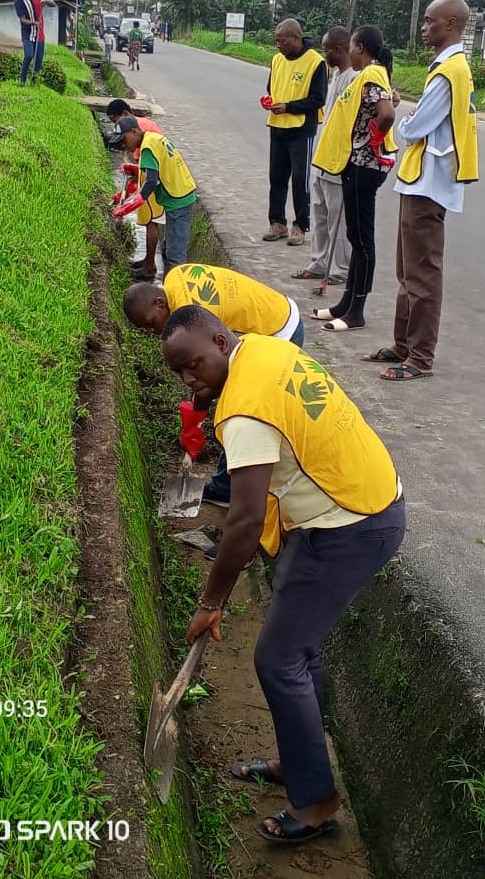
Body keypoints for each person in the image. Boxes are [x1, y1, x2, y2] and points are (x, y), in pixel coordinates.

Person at [160, 304, 405, 846]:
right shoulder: (264, 349)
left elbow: (244, 523)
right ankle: (301, 763)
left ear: (220, 341)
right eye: (179, 373)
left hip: (350, 525)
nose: (189, 379)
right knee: (298, 652)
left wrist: (210, 602)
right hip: (360, 500)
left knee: (278, 658)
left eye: (193, 365)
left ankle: (316, 803)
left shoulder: (244, 412)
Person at [124, 266, 305, 529]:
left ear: (160, 303)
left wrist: (195, 418)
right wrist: (195, 414)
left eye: (151, 323)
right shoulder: (173, 280)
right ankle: (223, 485)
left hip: (278, 331)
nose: (151, 332)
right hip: (276, 307)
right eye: (145, 329)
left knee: (238, 412)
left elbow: (209, 383)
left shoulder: (191, 317)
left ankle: (244, 494)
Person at [364, 0, 478, 381]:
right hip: (419, 180)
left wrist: (406, 120)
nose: (424, 27)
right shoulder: (447, 67)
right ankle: (403, 344)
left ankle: (420, 357)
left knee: (422, 273)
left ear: (450, 24)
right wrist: (411, 118)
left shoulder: (450, 72)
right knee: (407, 269)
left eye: (430, 21)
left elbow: (414, 126)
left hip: (430, 184)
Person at [310, 25, 397, 332]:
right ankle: (345, 304)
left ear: (359, 48)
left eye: (351, 48)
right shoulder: (372, 76)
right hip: (355, 164)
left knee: (362, 240)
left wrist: (371, 141)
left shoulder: (372, 74)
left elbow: (387, 114)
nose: (348, 52)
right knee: (355, 236)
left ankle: (356, 311)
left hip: (363, 165)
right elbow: (388, 101)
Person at [291, 27, 355, 288]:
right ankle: (318, 263)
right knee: (319, 214)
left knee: (336, 218)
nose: (323, 53)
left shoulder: (354, 79)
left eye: (326, 49)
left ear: (338, 49)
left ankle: (340, 268)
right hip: (321, 156)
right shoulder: (336, 77)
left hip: (338, 160)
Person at [263, 19, 328, 247]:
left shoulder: (316, 62)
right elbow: (272, 87)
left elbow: (318, 99)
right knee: (276, 177)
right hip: (278, 125)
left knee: (300, 180)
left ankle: (300, 226)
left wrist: (289, 106)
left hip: (301, 129)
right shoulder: (277, 59)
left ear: (296, 38)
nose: (278, 45)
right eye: (276, 41)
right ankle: (277, 222)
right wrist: (271, 102)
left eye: (282, 41)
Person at [109, 116, 196, 275]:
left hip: (178, 201)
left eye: (124, 140)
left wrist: (128, 207)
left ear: (134, 131)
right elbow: (156, 170)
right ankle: (167, 287)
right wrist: (136, 170)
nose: (124, 146)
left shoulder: (147, 147)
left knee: (174, 257)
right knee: (167, 250)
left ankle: (174, 295)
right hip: (181, 194)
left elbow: (150, 182)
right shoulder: (152, 138)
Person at [106, 99, 164, 280]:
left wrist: (129, 204)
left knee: (151, 221)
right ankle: (148, 261)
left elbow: (147, 177)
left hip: (158, 179)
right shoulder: (140, 126)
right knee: (149, 220)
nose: (123, 144)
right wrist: (121, 195)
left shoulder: (137, 133)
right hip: (157, 175)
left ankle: (149, 267)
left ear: (125, 115)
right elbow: (141, 174)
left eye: (116, 122)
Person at [14, 0, 39, 86]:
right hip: (27, 33)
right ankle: (22, 80)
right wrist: (33, 23)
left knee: (37, 58)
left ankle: (34, 81)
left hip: (36, 33)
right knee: (28, 55)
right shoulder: (18, 2)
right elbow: (22, 19)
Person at [31, 0, 56, 78]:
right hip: (30, 35)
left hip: (40, 36)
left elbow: (53, 4)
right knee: (30, 57)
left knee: (39, 59)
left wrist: (45, 1)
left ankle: (35, 78)